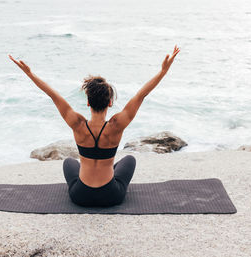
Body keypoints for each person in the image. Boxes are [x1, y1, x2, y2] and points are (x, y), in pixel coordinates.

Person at [9, 45, 180, 207]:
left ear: (88, 103)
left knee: (69, 161)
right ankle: (107, 170)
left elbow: (52, 95)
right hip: (111, 196)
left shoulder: (77, 124)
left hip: (80, 195)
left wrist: (30, 73)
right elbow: (141, 95)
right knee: (129, 159)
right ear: (110, 103)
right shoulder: (116, 125)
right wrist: (163, 71)